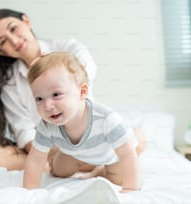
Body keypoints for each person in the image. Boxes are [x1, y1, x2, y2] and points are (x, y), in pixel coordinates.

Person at [0, 8, 98, 170]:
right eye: (3, 41)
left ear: (26, 21)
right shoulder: (9, 83)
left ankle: (70, 165)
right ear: (1, 52)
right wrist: (48, 152)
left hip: (85, 136)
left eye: (13, 28)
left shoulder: (70, 48)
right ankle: (67, 165)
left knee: (136, 139)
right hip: (47, 147)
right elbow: (24, 131)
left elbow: (83, 81)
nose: (13, 40)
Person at [23, 52, 144, 192]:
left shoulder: (107, 120)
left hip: (110, 154)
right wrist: (29, 191)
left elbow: (127, 155)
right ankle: (83, 164)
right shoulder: (46, 125)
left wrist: (131, 188)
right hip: (73, 154)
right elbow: (35, 160)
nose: (47, 106)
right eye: (39, 99)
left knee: (115, 178)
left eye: (56, 94)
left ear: (82, 92)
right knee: (57, 172)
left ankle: (100, 171)